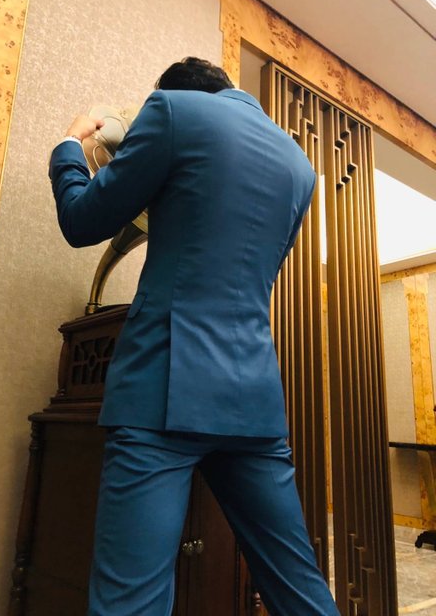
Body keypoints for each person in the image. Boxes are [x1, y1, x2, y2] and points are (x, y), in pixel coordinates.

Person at [49, 57, 339, 616]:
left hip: (163, 388)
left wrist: (69, 143)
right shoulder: (300, 165)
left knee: (131, 602)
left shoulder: (170, 110)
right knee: (299, 589)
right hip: (254, 400)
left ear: (173, 91)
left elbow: (81, 221)